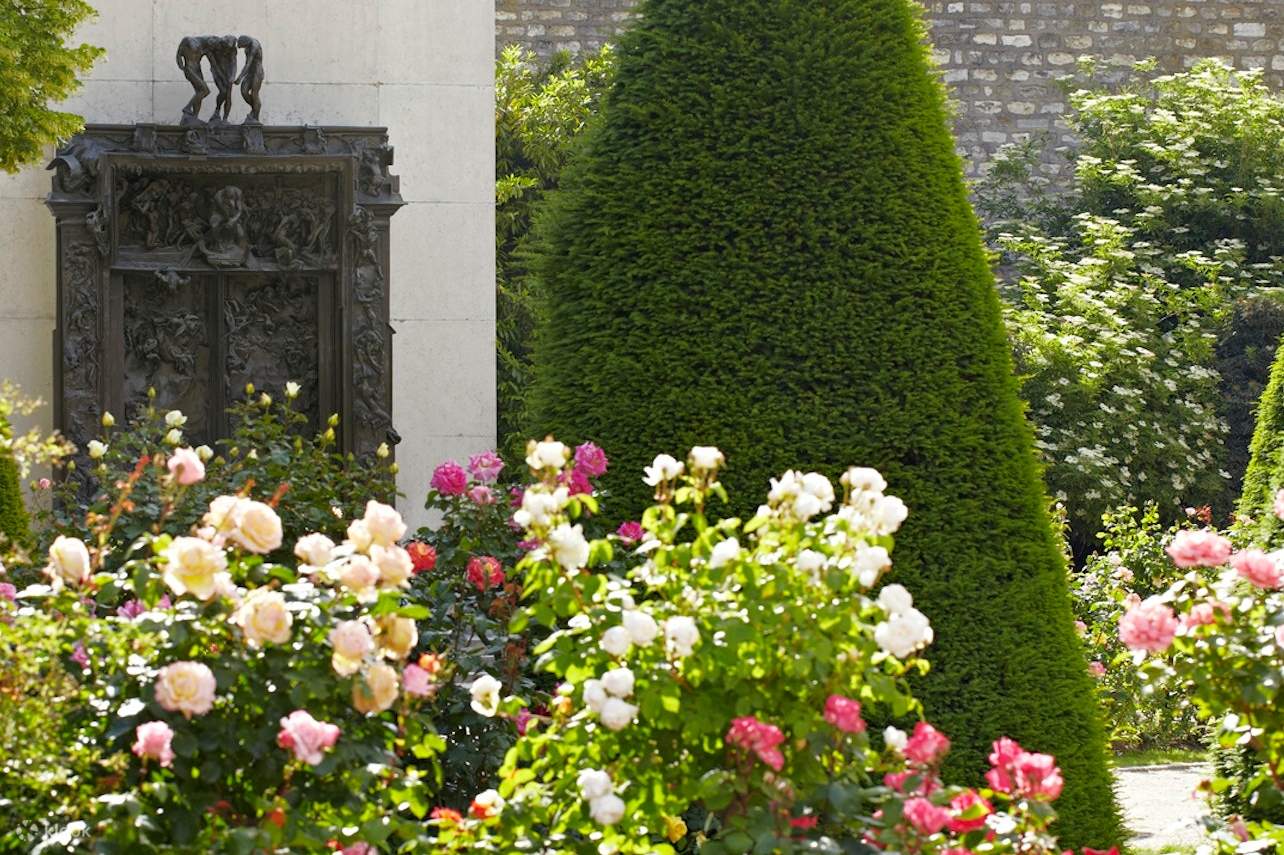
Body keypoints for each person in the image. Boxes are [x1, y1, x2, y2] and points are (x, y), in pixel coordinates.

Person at [208, 35, 239, 124]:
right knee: (223, 91)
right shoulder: (214, 47)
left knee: (228, 95)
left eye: (229, 49)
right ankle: (217, 111)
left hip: (228, 71)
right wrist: (223, 77)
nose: (227, 50)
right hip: (216, 71)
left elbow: (233, 63)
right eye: (226, 48)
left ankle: (225, 119)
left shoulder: (232, 49)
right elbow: (214, 65)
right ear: (222, 44)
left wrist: (232, 77)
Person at [235, 36, 265, 124]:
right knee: (244, 91)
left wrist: (240, 77)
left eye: (242, 46)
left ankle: (255, 117)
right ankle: (254, 109)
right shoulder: (247, 47)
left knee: (254, 94)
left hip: (257, 72)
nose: (243, 48)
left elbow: (248, 63)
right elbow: (247, 64)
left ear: (245, 42)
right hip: (250, 72)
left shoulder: (254, 45)